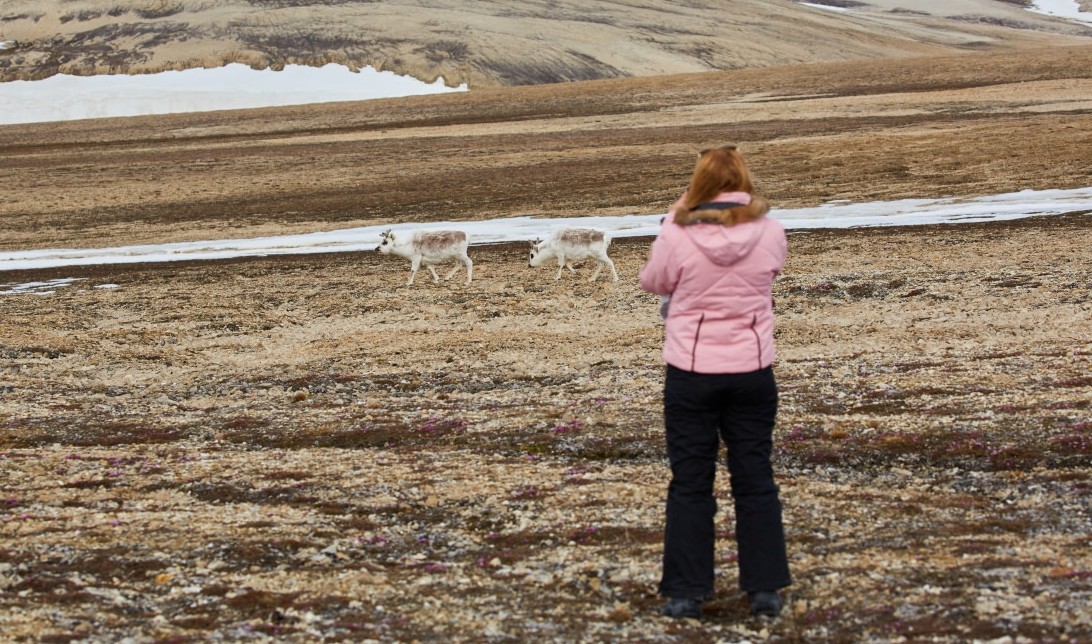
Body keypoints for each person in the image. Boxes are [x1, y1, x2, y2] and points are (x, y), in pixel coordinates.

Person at [638, 145, 791, 620]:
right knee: (755, 478)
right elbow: (774, 268)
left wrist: (676, 214)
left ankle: (686, 593)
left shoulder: (677, 233)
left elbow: (654, 281)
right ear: (744, 180)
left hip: (692, 373)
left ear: (699, 184)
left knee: (690, 482)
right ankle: (764, 591)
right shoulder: (769, 230)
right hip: (752, 370)